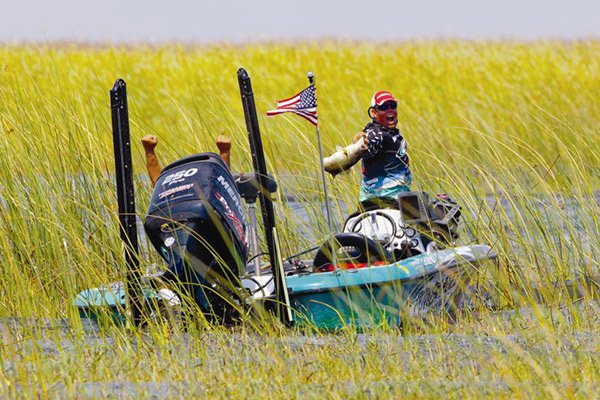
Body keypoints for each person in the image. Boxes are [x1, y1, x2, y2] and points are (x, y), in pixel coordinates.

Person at [353, 90, 412, 209]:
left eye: (393, 106)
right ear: (374, 112)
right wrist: (361, 142)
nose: (390, 110)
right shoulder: (376, 133)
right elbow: (369, 144)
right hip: (386, 199)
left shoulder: (393, 135)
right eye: (384, 107)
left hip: (397, 196)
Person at [141, 134, 232, 187]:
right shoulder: (176, 195)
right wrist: (149, 151)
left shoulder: (209, 192)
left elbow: (223, 185)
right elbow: (160, 186)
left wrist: (224, 152)